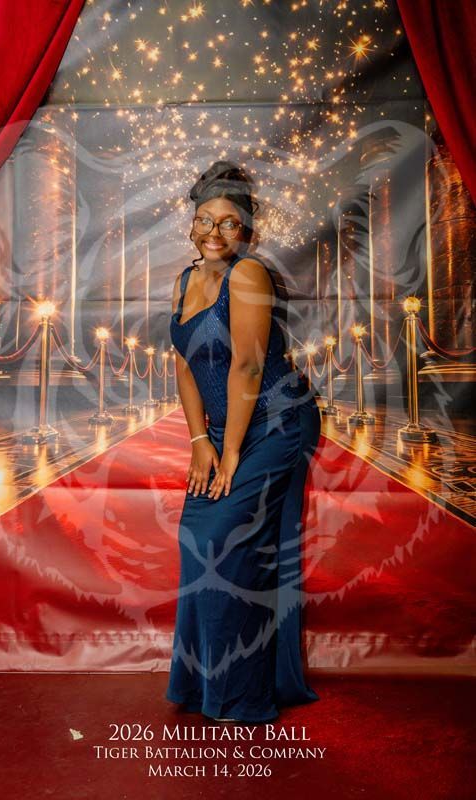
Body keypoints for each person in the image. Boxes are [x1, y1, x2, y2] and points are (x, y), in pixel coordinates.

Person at [165, 160, 321, 724]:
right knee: (197, 537)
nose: (213, 232)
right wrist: (198, 440)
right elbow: (185, 364)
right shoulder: (185, 280)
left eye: (228, 223)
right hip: (224, 429)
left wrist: (228, 452)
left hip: (276, 422)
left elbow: (250, 365)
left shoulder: (249, 274)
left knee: (226, 540)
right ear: (192, 225)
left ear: (247, 231)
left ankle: (242, 694)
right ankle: (207, 682)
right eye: (204, 220)